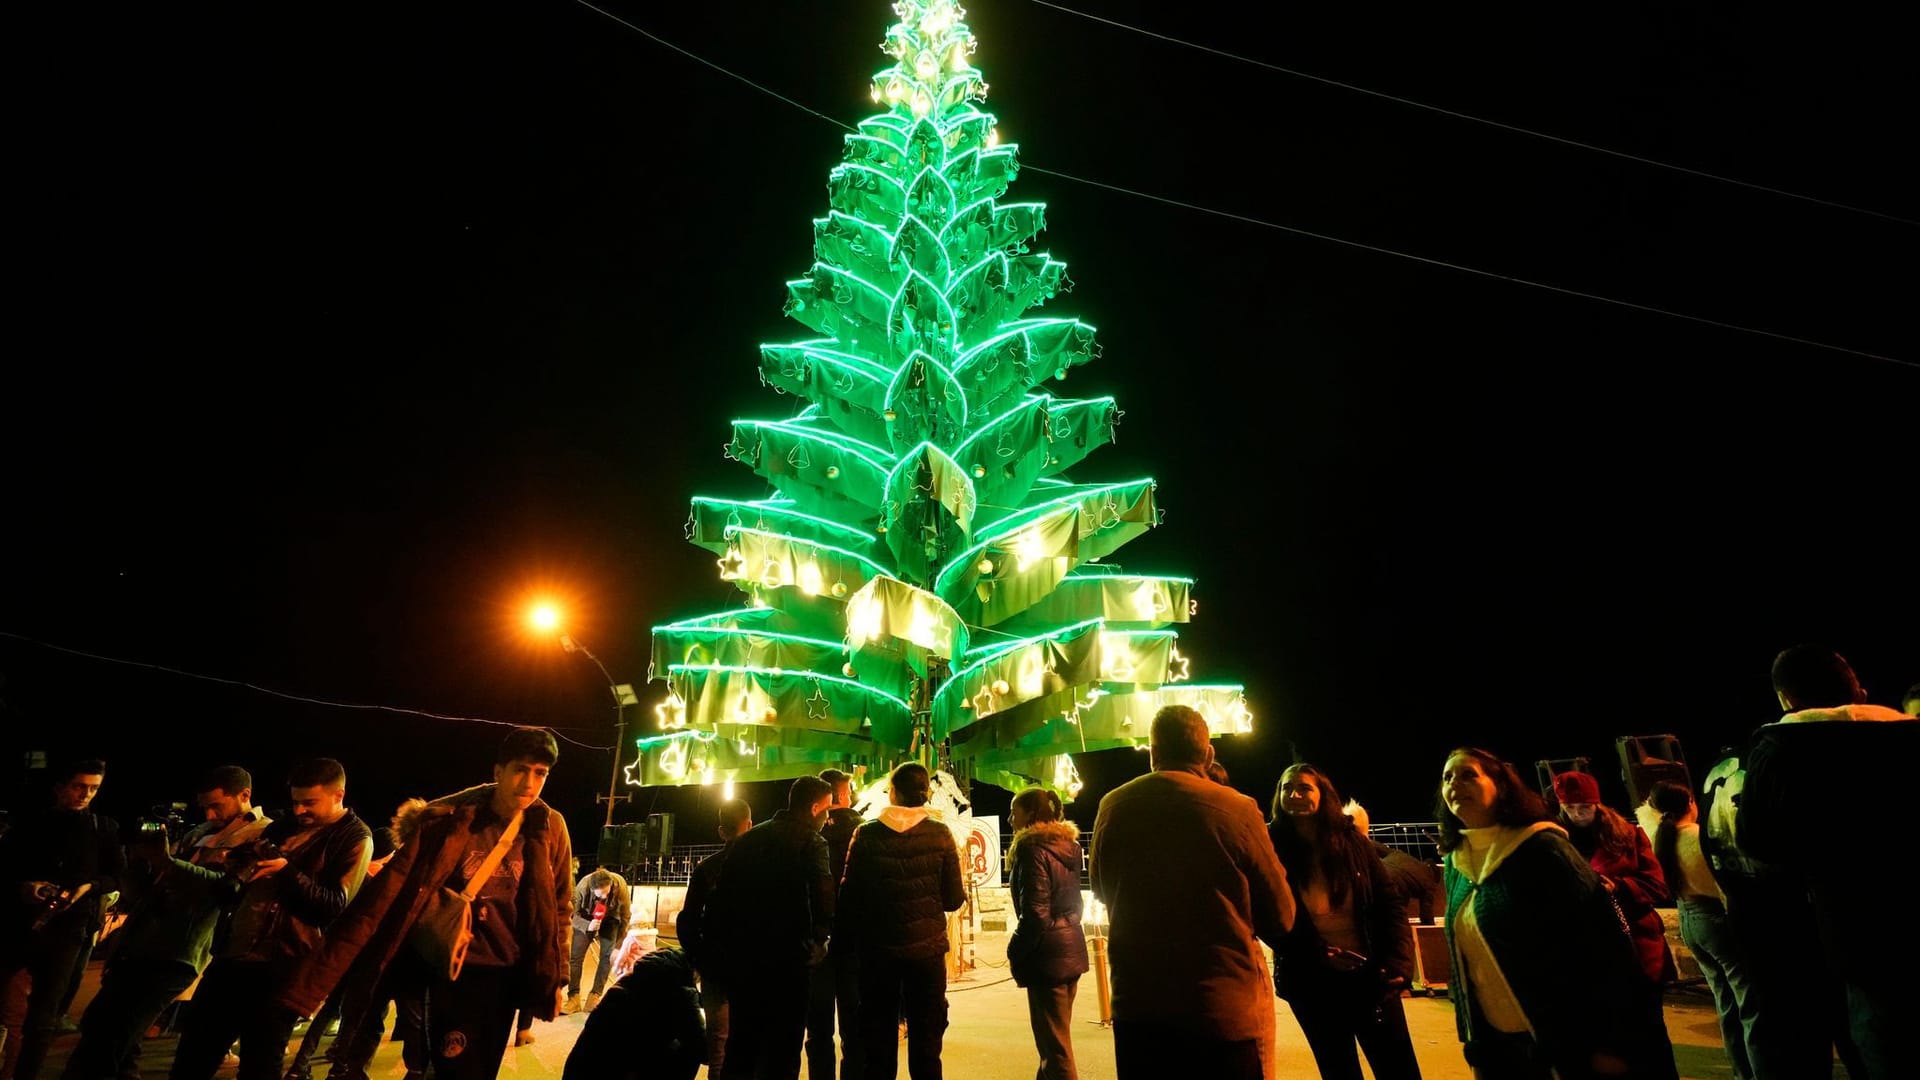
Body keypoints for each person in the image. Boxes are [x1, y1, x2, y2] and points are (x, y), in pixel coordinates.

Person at [276, 727, 573, 1080]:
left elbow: (559, 907)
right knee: (452, 1068)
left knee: (482, 1070)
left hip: (506, 975)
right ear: (498, 772)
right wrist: (308, 985)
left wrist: (557, 976)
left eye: (540, 773)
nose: (529, 782)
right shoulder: (452, 821)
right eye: (521, 769)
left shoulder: (549, 826)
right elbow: (382, 899)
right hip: (453, 971)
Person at [1435, 746, 1674, 1079]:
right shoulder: (1457, 863)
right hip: (1499, 1048)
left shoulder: (1542, 849)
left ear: (1501, 785)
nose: (1454, 784)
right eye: (1447, 777)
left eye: (1468, 775)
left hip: (1564, 1043)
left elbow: (1605, 945)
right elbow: (1465, 964)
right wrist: (1475, 1043)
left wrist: (1613, 1042)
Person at [1740, 644, 1920, 1080]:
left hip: (1859, 934)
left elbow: (1758, 845)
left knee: (1888, 1045)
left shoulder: (1779, 749)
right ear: (1857, 688)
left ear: (1786, 699)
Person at [1089, 705, 1294, 1080]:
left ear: (1152, 753)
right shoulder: (1238, 809)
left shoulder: (1112, 806)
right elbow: (1281, 917)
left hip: (1139, 1012)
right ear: (1208, 753)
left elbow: (1101, 889)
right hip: (1220, 1014)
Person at [168, 758, 373, 1080]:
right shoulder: (281, 826)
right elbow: (236, 886)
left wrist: (287, 871)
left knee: (260, 1064)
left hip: (282, 966)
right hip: (231, 956)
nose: (300, 811)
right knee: (193, 1054)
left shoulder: (354, 837)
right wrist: (234, 867)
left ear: (339, 795)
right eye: (295, 802)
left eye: (309, 803)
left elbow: (332, 907)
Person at [62, 766, 266, 1080]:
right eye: (205, 806)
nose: (210, 813)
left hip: (180, 951)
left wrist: (170, 864)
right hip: (143, 942)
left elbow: (228, 888)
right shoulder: (199, 831)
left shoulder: (262, 833)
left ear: (245, 796)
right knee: (101, 1026)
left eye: (217, 805)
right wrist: (139, 862)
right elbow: (152, 886)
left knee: (113, 1036)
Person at [1267, 765, 1421, 1080]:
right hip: (1311, 982)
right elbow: (1268, 916)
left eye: (1304, 788)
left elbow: (1387, 901)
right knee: (1338, 1069)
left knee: (1397, 1066)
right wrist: (1312, 952)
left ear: (1323, 795)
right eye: (1286, 788)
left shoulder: (1351, 841)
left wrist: (1399, 963)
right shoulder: (1271, 847)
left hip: (1370, 975)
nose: (1294, 795)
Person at [835, 763, 965, 1080]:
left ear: (892, 792)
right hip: (927, 955)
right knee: (927, 1044)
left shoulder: (865, 834)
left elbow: (848, 898)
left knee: (878, 1046)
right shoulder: (941, 833)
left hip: (878, 955)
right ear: (926, 793)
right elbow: (952, 898)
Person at [704, 776, 836, 1080]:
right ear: (815, 808)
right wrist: (821, 938)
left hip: (745, 962)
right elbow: (823, 895)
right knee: (784, 1048)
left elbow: (722, 898)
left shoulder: (748, 840)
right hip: (791, 961)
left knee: (741, 1045)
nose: (829, 818)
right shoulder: (812, 843)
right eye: (827, 811)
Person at [0, 759, 124, 1080]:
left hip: (68, 932)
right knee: (10, 1012)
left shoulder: (103, 827)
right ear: (60, 787)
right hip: (20, 928)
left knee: (44, 1019)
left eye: (93, 788)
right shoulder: (29, 824)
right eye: (79, 786)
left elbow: (117, 877)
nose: (85, 794)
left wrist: (90, 887)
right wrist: (26, 887)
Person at [1641, 780, 1754, 1080]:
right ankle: (1758, 1070)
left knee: (1725, 1002)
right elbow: (1723, 887)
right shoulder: (1697, 838)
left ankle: (1740, 1071)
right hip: (1714, 919)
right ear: (1691, 802)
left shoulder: (1657, 836)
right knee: (1748, 1002)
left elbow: (1643, 813)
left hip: (1689, 919)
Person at [282, 827, 399, 1080]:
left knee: (329, 1011)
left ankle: (298, 1066)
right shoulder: (380, 882)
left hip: (340, 954)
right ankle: (339, 1068)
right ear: (388, 855)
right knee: (353, 1017)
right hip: (364, 957)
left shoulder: (353, 876)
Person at [1549, 770, 1675, 988]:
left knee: (1647, 1015)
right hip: (1585, 950)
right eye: (1570, 808)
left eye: (1585, 807)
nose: (1578, 814)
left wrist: (1618, 886)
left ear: (1597, 804)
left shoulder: (1628, 835)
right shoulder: (1553, 843)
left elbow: (1657, 886)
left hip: (1635, 944)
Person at [1005, 787, 1088, 1080]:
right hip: (1070, 950)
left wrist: (1014, 949)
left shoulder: (1031, 850)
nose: (1009, 819)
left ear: (1031, 815)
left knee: (1056, 1050)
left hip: (1046, 958)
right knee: (1056, 1041)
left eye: (1014, 812)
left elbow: (1036, 915)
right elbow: (1075, 904)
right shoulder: (1070, 846)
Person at [676, 797, 751, 1079]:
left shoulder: (707, 868)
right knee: (747, 1042)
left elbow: (688, 920)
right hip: (751, 970)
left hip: (715, 968)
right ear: (751, 826)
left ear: (721, 831)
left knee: (718, 1044)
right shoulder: (763, 868)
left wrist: (699, 959)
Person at [561, 944, 704, 1080]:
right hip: (615, 1071)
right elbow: (704, 1049)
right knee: (689, 1051)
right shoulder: (682, 992)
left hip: (580, 1068)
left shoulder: (636, 977)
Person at [807, 768, 864, 1080]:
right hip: (854, 943)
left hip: (817, 942)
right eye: (850, 791)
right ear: (841, 795)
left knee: (818, 1030)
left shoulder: (810, 834)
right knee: (854, 1029)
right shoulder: (864, 832)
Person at [1343, 800, 1440, 924]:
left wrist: (1358, 839)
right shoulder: (1428, 882)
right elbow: (1426, 911)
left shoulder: (1403, 856)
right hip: (1392, 885)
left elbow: (1377, 847)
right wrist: (1429, 923)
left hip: (1381, 877)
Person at [564, 866, 630, 1014]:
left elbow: (625, 915)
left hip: (611, 920)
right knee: (575, 957)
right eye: (600, 896)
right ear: (592, 889)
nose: (604, 898)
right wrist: (588, 925)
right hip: (586, 918)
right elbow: (572, 915)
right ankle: (573, 998)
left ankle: (594, 996)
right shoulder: (582, 887)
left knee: (606, 957)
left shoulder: (620, 885)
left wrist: (619, 944)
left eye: (606, 894)